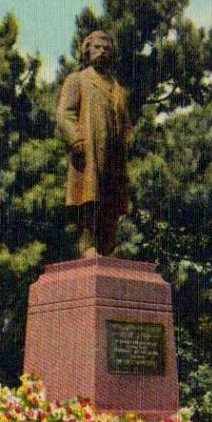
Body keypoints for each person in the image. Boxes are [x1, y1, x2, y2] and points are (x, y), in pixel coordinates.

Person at [55, 30, 132, 257]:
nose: (102, 52)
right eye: (97, 47)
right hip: (88, 152)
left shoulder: (117, 88)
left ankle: (108, 248)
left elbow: (126, 123)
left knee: (111, 202)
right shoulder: (77, 80)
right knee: (90, 199)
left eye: (106, 49)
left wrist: (127, 140)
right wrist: (75, 138)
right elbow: (64, 113)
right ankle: (88, 246)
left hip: (114, 156)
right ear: (87, 51)